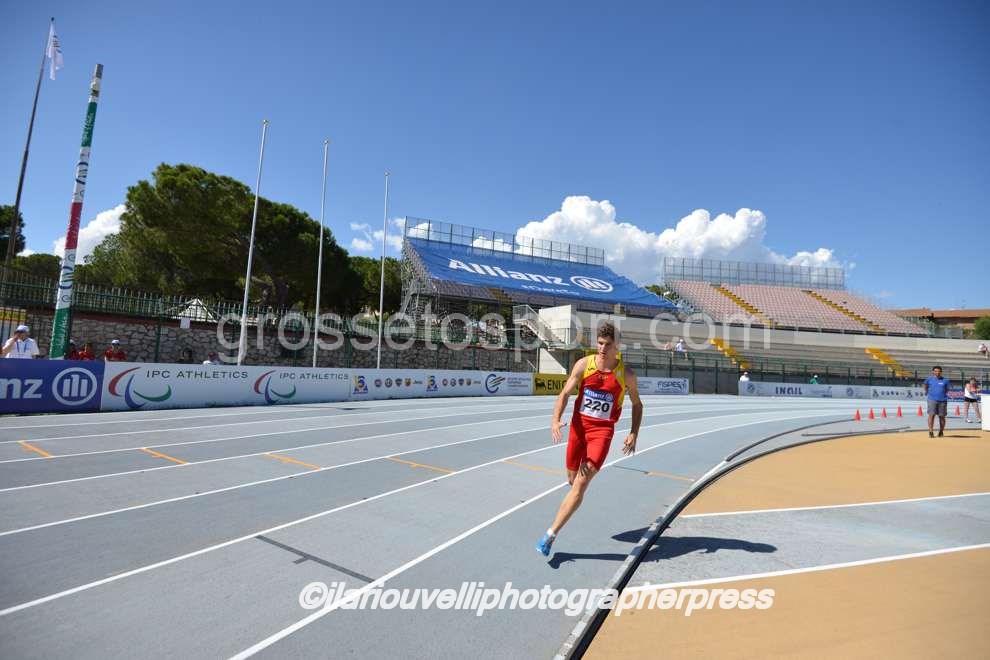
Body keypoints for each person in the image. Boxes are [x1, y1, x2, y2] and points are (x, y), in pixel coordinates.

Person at [536, 321, 643, 556]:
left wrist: (634, 432)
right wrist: (555, 420)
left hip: (601, 433)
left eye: (608, 344)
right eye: (600, 343)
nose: (602, 348)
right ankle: (573, 499)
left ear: (617, 346)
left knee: (581, 483)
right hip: (578, 429)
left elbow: (637, 404)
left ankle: (550, 535)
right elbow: (565, 393)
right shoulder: (584, 365)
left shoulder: (626, 375)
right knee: (572, 479)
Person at [922, 366, 951, 438]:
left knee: (942, 416)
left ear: (941, 372)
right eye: (935, 371)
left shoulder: (945, 380)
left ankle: (941, 431)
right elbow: (925, 385)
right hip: (932, 399)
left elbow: (947, 389)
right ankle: (931, 431)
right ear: (933, 372)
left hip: (943, 400)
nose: (937, 372)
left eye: (939, 371)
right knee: (931, 415)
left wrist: (942, 394)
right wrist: (926, 391)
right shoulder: (929, 379)